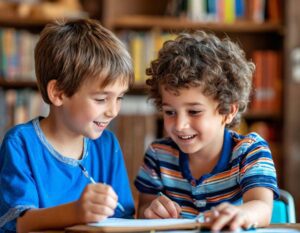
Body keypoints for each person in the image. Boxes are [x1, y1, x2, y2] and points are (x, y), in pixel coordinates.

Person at [134, 31, 279, 231]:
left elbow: (262, 206)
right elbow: (143, 208)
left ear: (228, 111)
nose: (179, 125)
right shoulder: (158, 155)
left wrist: (241, 214)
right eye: (170, 112)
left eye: (194, 111)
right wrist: (150, 210)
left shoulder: (250, 151)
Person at [0, 18, 135, 233]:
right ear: (58, 93)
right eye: (101, 99)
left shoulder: (107, 145)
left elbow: (124, 218)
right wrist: (75, 212)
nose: (113, 111)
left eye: (120, 98)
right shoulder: (21, 144)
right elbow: (17, 224)